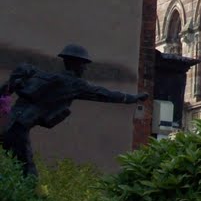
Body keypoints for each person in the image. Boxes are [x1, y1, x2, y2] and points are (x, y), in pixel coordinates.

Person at [0, 44, 148, 176]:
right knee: (28, 173)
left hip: (8, 125)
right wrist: (133, 98)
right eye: (83, 64)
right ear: (76, 64)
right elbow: (105, 94)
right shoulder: (73, 84)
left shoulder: (40, 76)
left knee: (13, 169)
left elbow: (22, 71)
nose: (85, 68)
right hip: (18, 129)